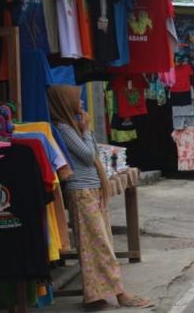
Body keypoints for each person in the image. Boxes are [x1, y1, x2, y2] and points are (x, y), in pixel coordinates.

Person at [47, 85, 151, 310]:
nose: (82, 104)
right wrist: (86, 130)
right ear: (65, 103)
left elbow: (91, 152)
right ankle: (120, 294)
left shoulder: (72, 126)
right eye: (78, 100)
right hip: (82, 191)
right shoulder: (63, 128)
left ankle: (94, 296)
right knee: (99, 245)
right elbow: (87, 156)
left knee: (97, 244)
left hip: (91, 190)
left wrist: (86, 130)